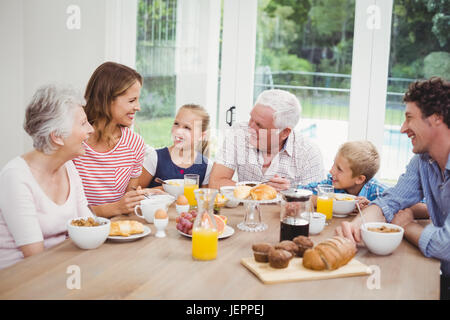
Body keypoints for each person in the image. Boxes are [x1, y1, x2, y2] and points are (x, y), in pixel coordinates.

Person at [335, 77, 449, 300]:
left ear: (437, 118)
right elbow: (391, 201)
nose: (402, 128)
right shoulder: (423, 161)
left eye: (409, 118)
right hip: (441, 275)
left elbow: (446, 245)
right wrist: (358, 227)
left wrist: (406, 226)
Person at [0, 85, 95, 269]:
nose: (91, 129)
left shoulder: (68, 167)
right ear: (57, 137)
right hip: (19, 281)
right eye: (83, 123)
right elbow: (35, 258)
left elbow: (88, 227)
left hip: (61, 268)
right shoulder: (15, 177)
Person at [73, 61, 155, 218]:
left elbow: (128, 203)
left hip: (117, 230)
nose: (138, 107)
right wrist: (114, 208)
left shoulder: (135, 144)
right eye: (132, 100)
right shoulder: (74, 142)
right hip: (77, 234)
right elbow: (67, 212)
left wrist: (147, 195)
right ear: (106, 99)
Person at [209, 89, 325, 191]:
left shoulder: (309, 153)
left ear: (284, 132)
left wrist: (289, 192)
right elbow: (216, 183)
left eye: (260, 125)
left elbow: (315, 200)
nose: (250, 128)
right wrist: (261, 190)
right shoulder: (239, 133)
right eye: (251, 118)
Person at [138, 104, 213, 188]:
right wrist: (156, 190)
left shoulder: (207, 166)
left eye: (187, 127)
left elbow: (204, 199)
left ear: (201, 136)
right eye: (176, 124)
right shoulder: (155, 158)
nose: (178, 131)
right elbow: (134, 192)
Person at [298, 140, 387, 208]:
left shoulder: (378, 193)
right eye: (334, 164)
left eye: (339, 169)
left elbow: (397, 212)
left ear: (359, 179)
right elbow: (299, 192)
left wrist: (371, 208)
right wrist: (318, 200)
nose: (331, 171)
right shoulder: (330, 184)